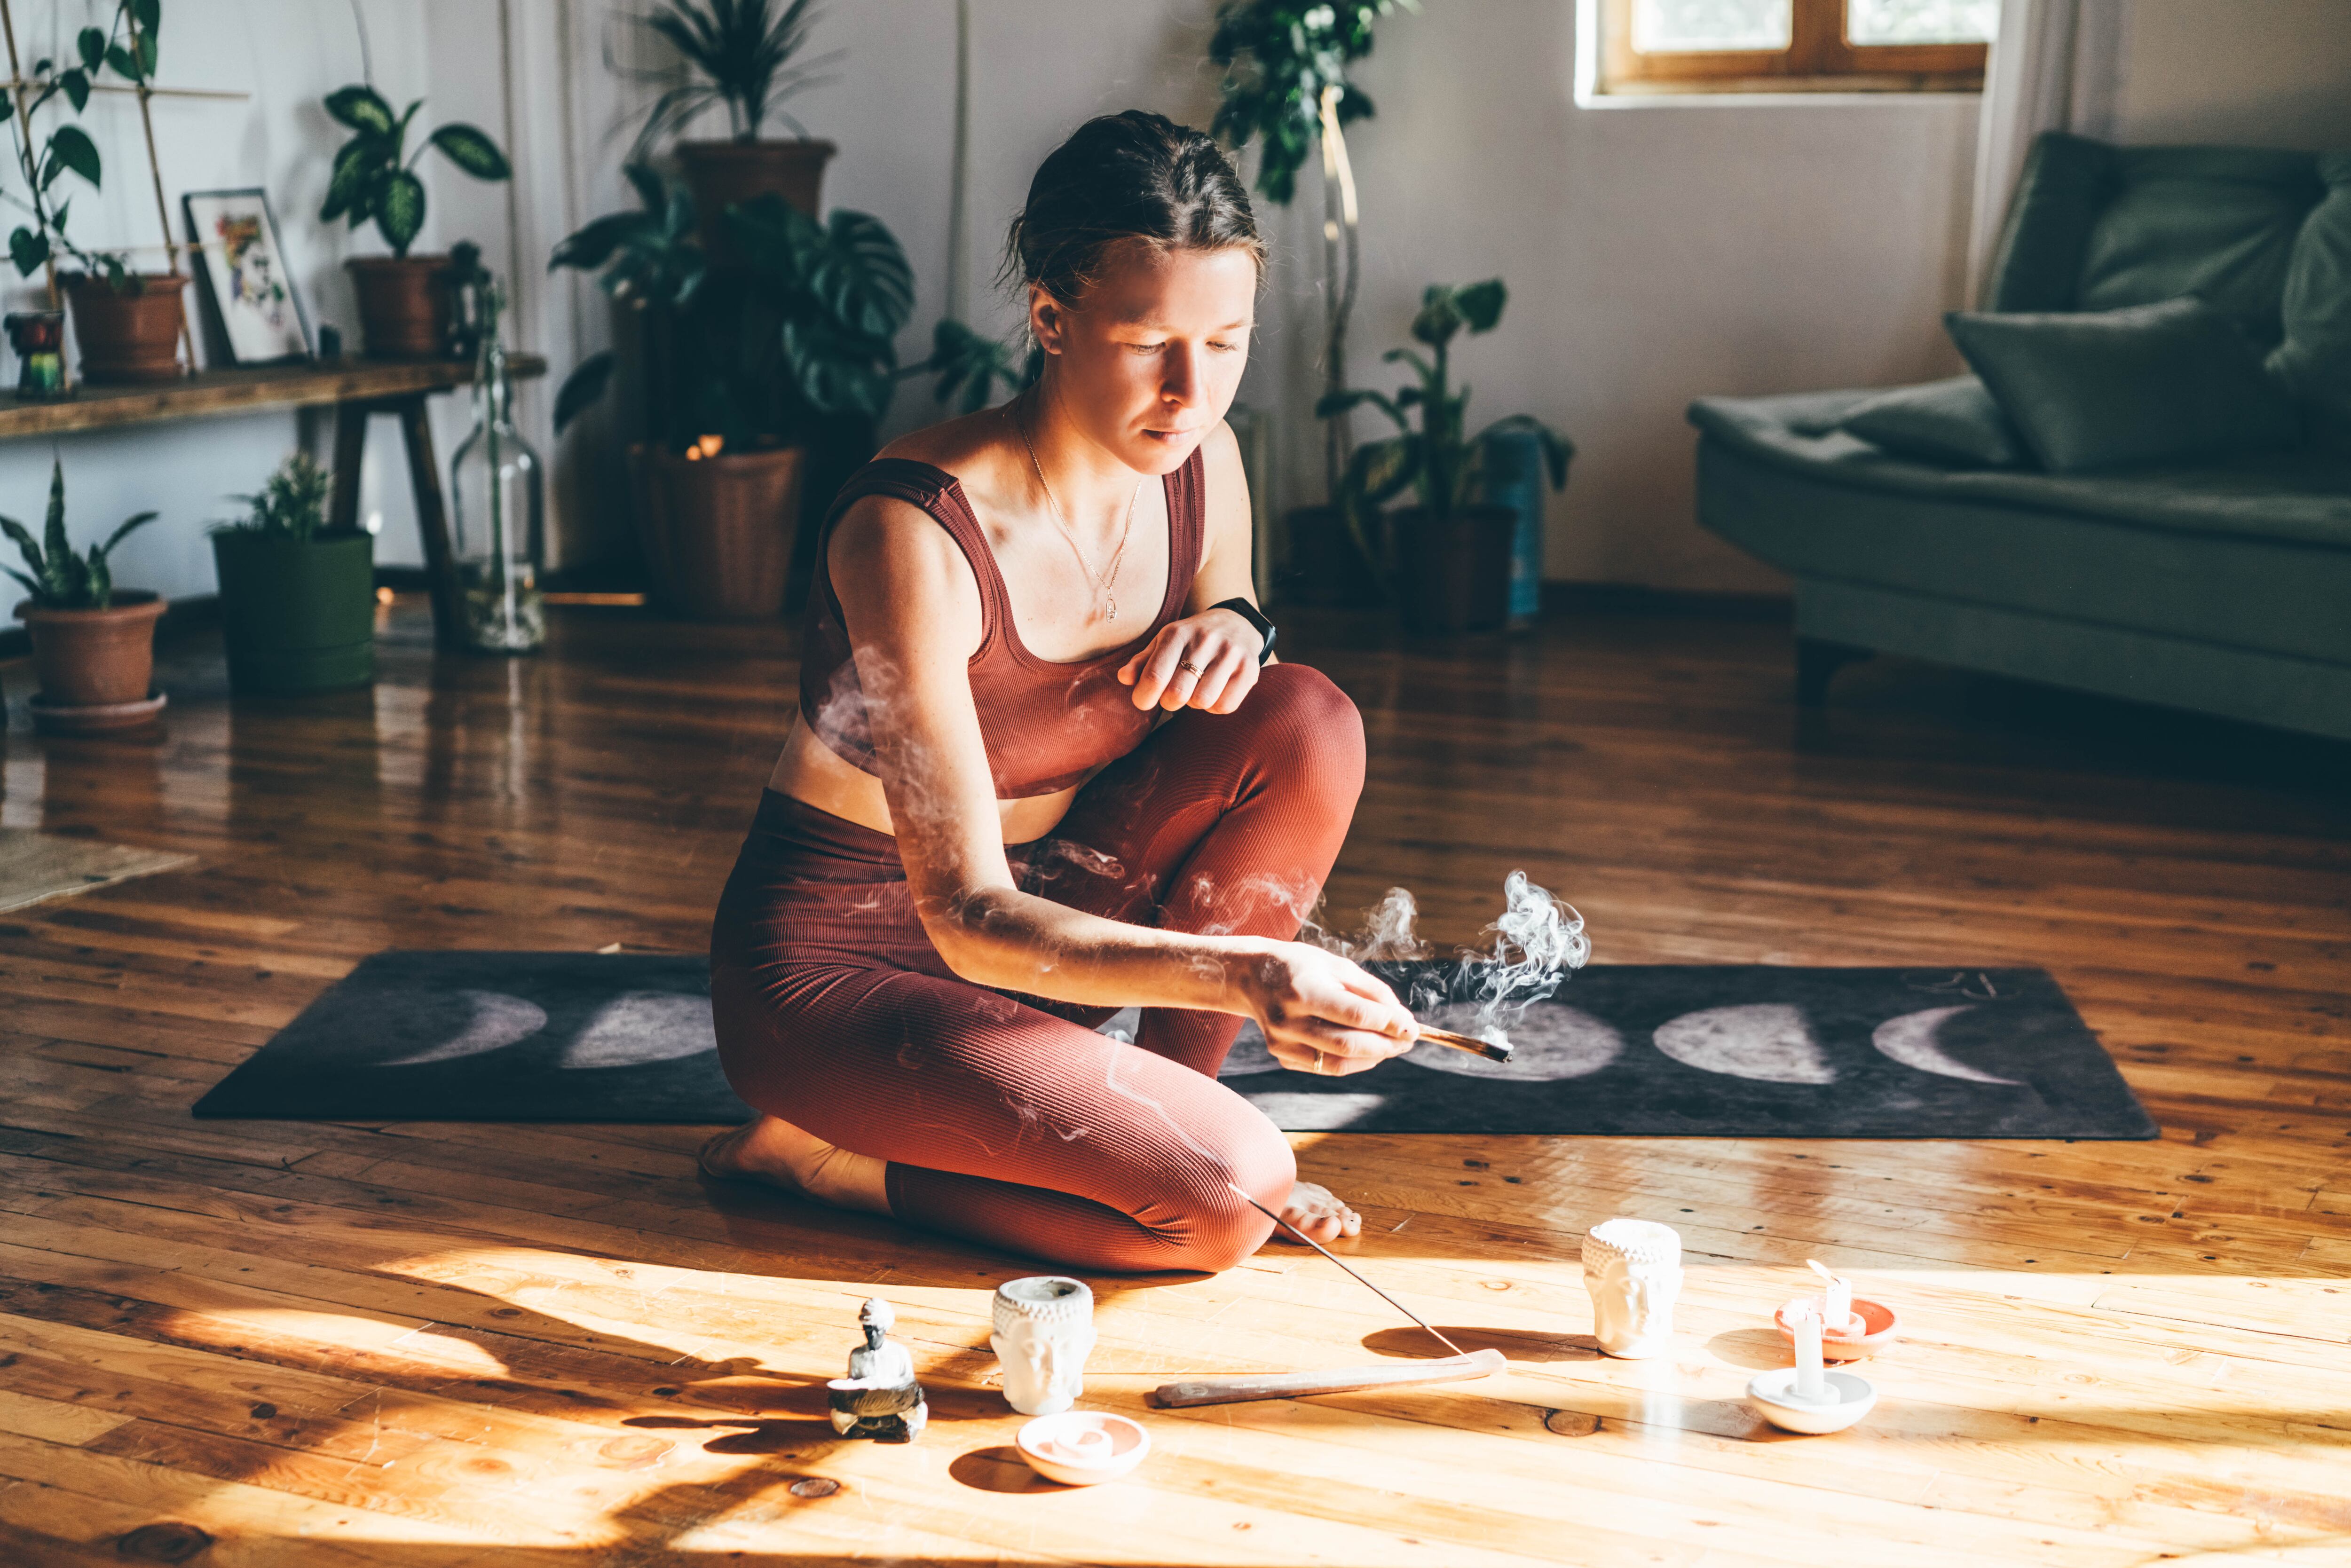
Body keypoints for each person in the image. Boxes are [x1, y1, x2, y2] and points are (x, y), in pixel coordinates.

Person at [701, 110, 1419, 1274]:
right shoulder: (914, 532)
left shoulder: (1203, 463)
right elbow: (966, 915)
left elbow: (1238, 621)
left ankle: (1178, 1121)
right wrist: (1250, 972)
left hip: (1050, 922)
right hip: (849, 970)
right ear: (1049, 317)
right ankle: (811, 1153)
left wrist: (1234, 623)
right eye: (1148, 343)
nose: (1191, 392)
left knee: (1307, 719)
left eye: (1227, 343)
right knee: (1225, 1213)